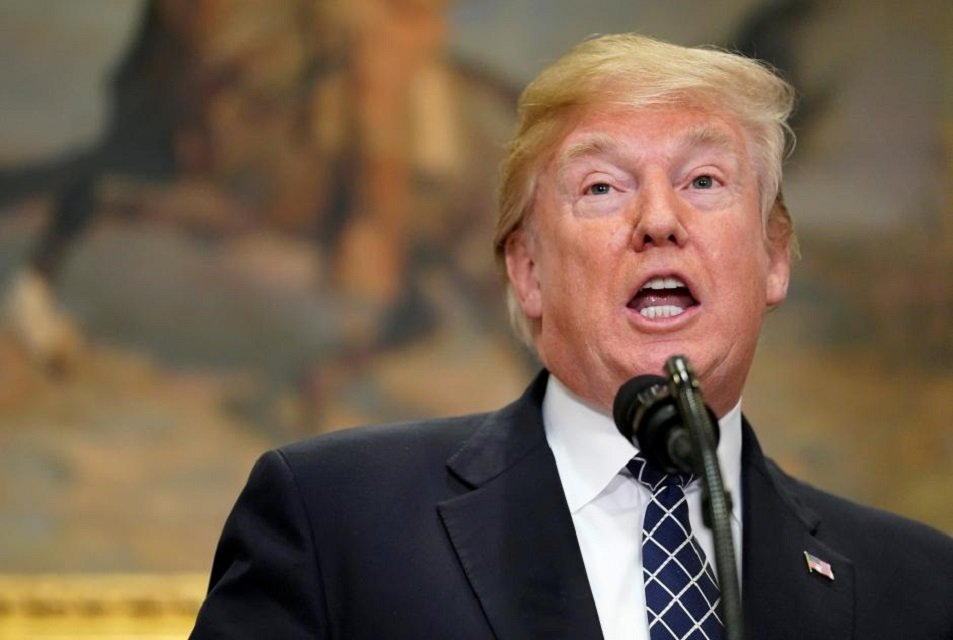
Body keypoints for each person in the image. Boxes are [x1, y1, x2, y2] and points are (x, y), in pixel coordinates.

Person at [190, 33, 953, 639]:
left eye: (704, 181)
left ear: (774, 256)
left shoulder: (919, 585)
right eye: (601, 188)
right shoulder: (335, 523)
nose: (658, 220)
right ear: (527, 271)